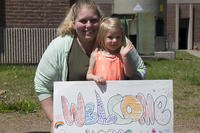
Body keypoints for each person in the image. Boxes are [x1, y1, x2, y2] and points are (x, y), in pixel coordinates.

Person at [34, 0, 146, 129]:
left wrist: (134, 79)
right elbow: (42, 84)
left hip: (115, 117)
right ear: (73, 23)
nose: (89, 25)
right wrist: (56, 120)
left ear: (101, 21)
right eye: (83, 21)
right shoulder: (59, 46)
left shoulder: (117, 40)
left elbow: (140, 69)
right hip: (75, 119)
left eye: (93, 20)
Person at [87, 17, 135, 84]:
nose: (115, 40)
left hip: (118, 91)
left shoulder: (123, 55)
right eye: (110, 37)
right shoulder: (95, 55)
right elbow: (88, 75)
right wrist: (95, 77)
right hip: (100, 91)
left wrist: (125, 57)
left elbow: (130, 74)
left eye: (118, 37)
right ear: (102, 38)